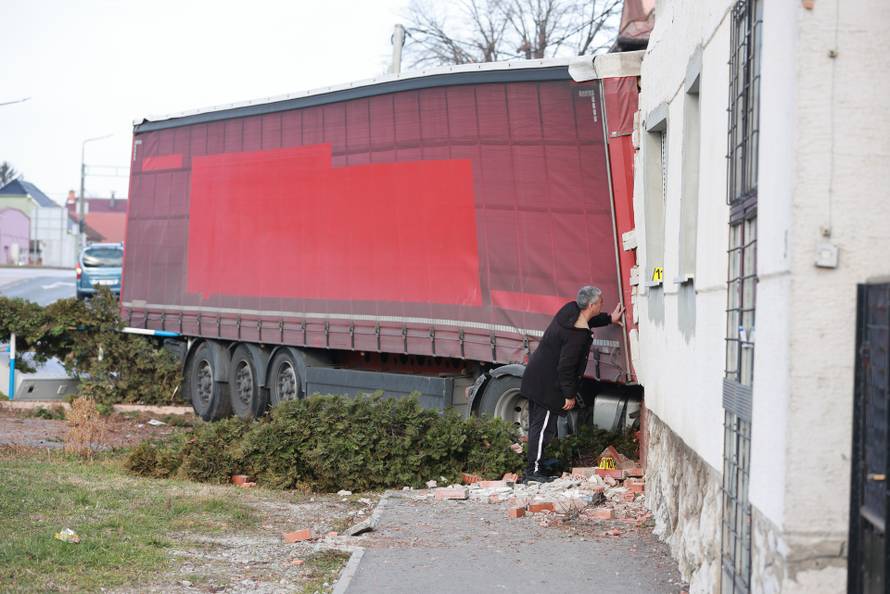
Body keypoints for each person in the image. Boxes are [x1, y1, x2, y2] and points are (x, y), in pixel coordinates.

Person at [520, 285, 624, 483]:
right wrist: (569, 395)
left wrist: (609, 318)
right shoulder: (576, 335)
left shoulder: (571, 310)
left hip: (537, 376)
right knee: (542, 428)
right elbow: (566, 367)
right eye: (600, 303)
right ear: (591, 305)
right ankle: (533, 472)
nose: (602, 305)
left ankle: (537, 465)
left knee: (538, 426)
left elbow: (589, 319)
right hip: (547, 384)